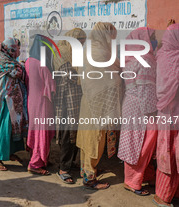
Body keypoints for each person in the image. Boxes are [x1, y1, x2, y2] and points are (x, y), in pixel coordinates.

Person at [76, 22, 123, 189]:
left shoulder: (87, 50)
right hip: (98, 105)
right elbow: (113, 76)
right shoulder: (102, 53)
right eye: (111, 37)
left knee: (88, 137)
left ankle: (87, 170)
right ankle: (89, 178)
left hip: (88, 100)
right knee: (95, 139)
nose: (112, 40)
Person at [117, 27, 158, 196]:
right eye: (151, 37)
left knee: (133, 143)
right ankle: (132, 180)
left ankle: (143, 175)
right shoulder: (146, 60)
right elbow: (145, 90)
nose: (154, 41)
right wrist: (151, 111)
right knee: (143, 143)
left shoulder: (128, 59)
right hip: (143, 108)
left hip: (131, 106)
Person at [0, 38, 28, 171]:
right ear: (9, 48)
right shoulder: (0, 57)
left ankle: (9, 152)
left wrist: (19, 66)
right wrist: (20, 66)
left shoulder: (5, 55)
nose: (17, 52)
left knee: (13, 125)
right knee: (5, 126)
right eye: (15, 49)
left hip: (10, 98)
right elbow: (16, 72)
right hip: (3, 99)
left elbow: (16, 69)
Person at [53, 28, 86, 183]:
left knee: (75, 133)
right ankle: (63, 169)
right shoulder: (63, 52)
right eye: (79, 41)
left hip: (77, 98)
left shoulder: (75, 54)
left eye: (83, 42)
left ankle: (71, 162)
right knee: (67, 134)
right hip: (66, 99)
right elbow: (71, 75)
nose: (81, 44)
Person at [153, 23, 179, 207]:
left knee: (167, 153)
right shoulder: (174, 59)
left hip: (165, 111)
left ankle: (167, 194)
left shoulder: (160, 55)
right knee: (170, 154)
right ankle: (166, 194)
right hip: (171, 110)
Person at [25, 34, 56, 175]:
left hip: (31, 101)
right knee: (42, 133)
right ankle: (35, 164)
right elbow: (51, 87)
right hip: (43, 102)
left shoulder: (28, 61)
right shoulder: (43, 64)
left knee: (35, 131)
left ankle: (40, 158)